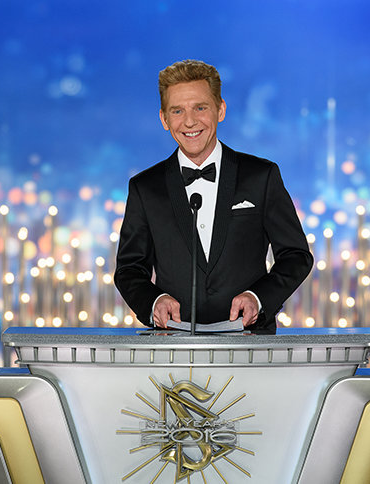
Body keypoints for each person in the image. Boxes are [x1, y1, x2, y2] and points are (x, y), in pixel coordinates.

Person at [114, 59, 313, 331]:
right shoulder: (145, 187)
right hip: (173, 343)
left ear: (220, 110)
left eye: (200, 107)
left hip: (251, 341)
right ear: (164, 119)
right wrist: (154, 301)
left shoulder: (261, 176)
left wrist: (258, 298)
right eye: (177, 111)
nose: (189, 121)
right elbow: (129, 269)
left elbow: (296, 255)